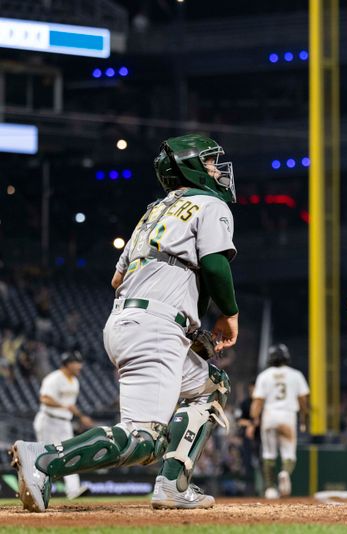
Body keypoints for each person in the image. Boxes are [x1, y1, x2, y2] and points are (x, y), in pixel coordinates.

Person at [10, 134, 239, 513]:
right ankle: (43, 458)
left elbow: (117, 280)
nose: (217, 170)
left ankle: (174, 483)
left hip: (130, 320)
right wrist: (229, 315)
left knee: (212, 386)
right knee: (144, 439)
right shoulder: (208, 203)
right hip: (155, 329)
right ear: (192, 167)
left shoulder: (152, 212)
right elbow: (215, 265)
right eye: (211, 162)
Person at [250, 343, 309, 499]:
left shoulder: (264, 375)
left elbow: (257, 402)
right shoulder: (296, 375)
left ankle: (270, 488)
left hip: (269, 415)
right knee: (288, 453)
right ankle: (284, 473)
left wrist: (253, 419)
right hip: (288, 415)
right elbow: (303, 400)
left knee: (269, 453)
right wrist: (304, 417)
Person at [34, 351, 93, 500]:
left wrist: (81, 417)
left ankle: (73, 490)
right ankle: (38, 489)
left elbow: (70, 405)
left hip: (64, 423)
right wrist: (62, 405)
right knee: (45, 456)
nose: (80, 366)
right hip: (48, 420)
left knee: (71, 454)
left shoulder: (74, 381)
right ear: (67, 364)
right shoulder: (54, 378)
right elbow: (44, 399)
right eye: (76, 362)